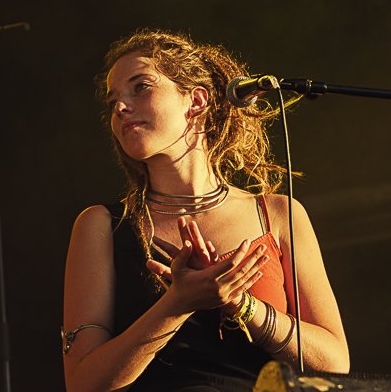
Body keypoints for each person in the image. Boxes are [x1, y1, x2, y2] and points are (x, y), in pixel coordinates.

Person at [62, 30, 349, 391]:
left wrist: (242, 305)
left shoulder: (277, 213)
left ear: (195, 100)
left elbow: (335, 362)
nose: (120, 107)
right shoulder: (101, 225)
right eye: (113, 101)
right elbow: (83, 383)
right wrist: (176, 305)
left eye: (140, 87)